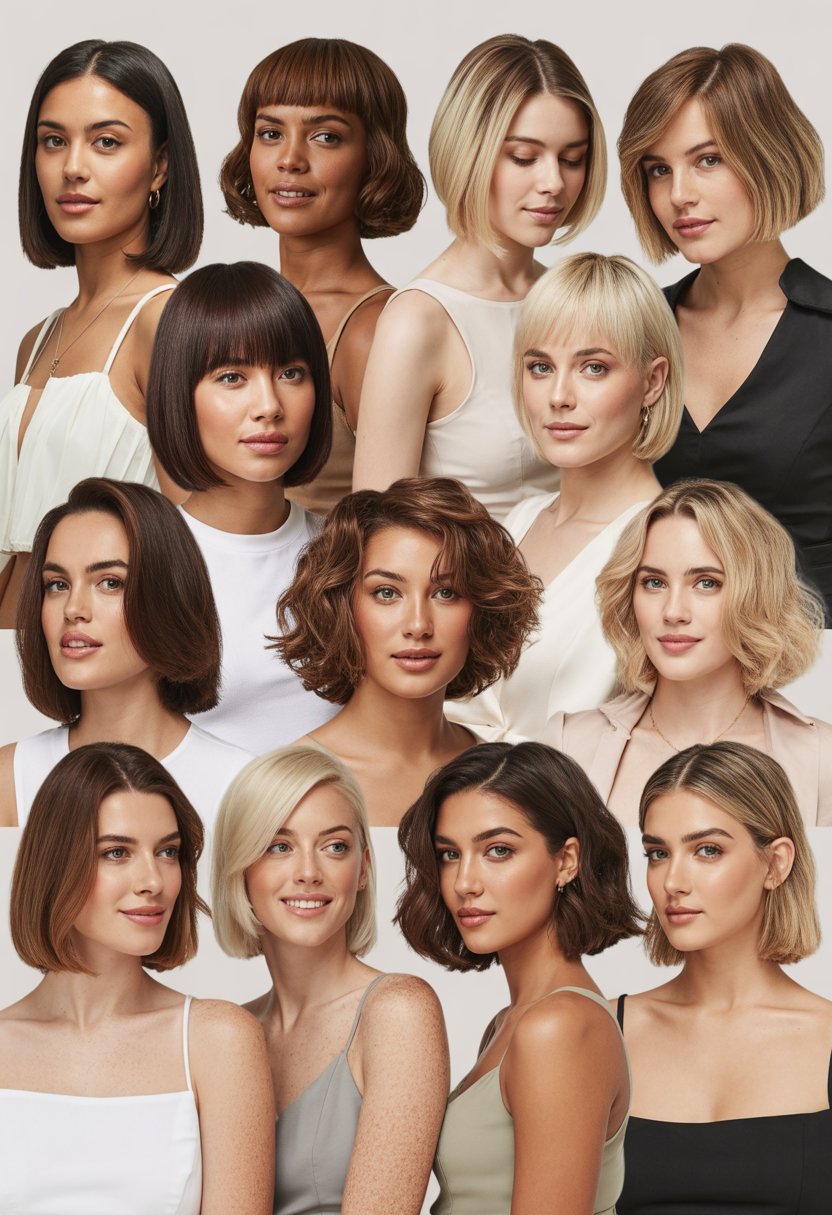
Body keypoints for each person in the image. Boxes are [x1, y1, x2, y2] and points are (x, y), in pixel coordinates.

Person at [0, 742, 275, 1215]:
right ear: (55, 863)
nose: (153, 880)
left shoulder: (217, 1040)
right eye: (116, 853)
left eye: (167, 851)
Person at [353, 34, 606, 522]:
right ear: (470, 151)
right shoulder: (419, 320)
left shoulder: (572, 303)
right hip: (469, 594)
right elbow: (374, 532)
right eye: (524, 157)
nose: (553, 182)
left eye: (571, 159)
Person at [618, 42, 832, 614]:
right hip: (652, 670)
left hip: (810, 676)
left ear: (768, 155)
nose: (678, 194)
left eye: (707, 159)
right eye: (658, 169)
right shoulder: (633, 331)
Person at [0, 39, 203, 626]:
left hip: (98, 655)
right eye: (53, 140)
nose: (73, 168)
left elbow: (200, 536)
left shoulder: (166, 322)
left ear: (160, 165)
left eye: (106, 142)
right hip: (20, 651)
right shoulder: (37, 340)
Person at [396, 741, 641, 1215]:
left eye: (498, 850)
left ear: (566, 861)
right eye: (450, 854)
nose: (465, 881)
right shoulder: (510, 1022)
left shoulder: (559, 1027)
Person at [447, 252, 683, 740]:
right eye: (539, 367)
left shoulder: (671, 547)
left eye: (592, 368)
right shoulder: (516, 523)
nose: (559, 396)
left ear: (652, 382)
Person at [211, 744, 449, 1215]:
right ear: (239, 869)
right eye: (278, 846)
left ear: (361, 869)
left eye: (334, 846)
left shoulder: (398, 1012)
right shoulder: (225, 1032)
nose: (307, 873)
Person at [617, 741, 832, 1215]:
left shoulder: (826, 1035)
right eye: (657, 853)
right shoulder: (602, 1031)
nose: (673, 881)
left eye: (707, 850)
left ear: (775, 863)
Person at [544, 479, 832, 825]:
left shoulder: (821, 760)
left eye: (706, 582)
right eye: (654, 582)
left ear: (756, 594)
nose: (673, 611)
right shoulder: (568, 744)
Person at [221, 37, 424, 513]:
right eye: (270, 133)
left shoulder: (375, 328)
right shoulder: (238, 304)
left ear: (375, 157)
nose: (290, 159)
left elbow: (389, 536)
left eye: (325, 136)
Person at [146, 261, 338, 753]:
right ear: (178, 394)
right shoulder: (144, 562)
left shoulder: (348, 553)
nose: (269, 405)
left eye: (292, 373)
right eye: (232, 377)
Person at [273, 478, 541, 825]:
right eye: (386, 593)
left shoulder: (509, 776)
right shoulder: (287, 787)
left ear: (482, 611)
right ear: (341, 606)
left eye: (446, 593)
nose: (418, 625)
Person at [0, 477, 252, 828]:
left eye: (110, 582)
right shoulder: (9, 780)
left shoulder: (243, 788)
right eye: (57, 585)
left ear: (169, 598)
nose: (73, 609)